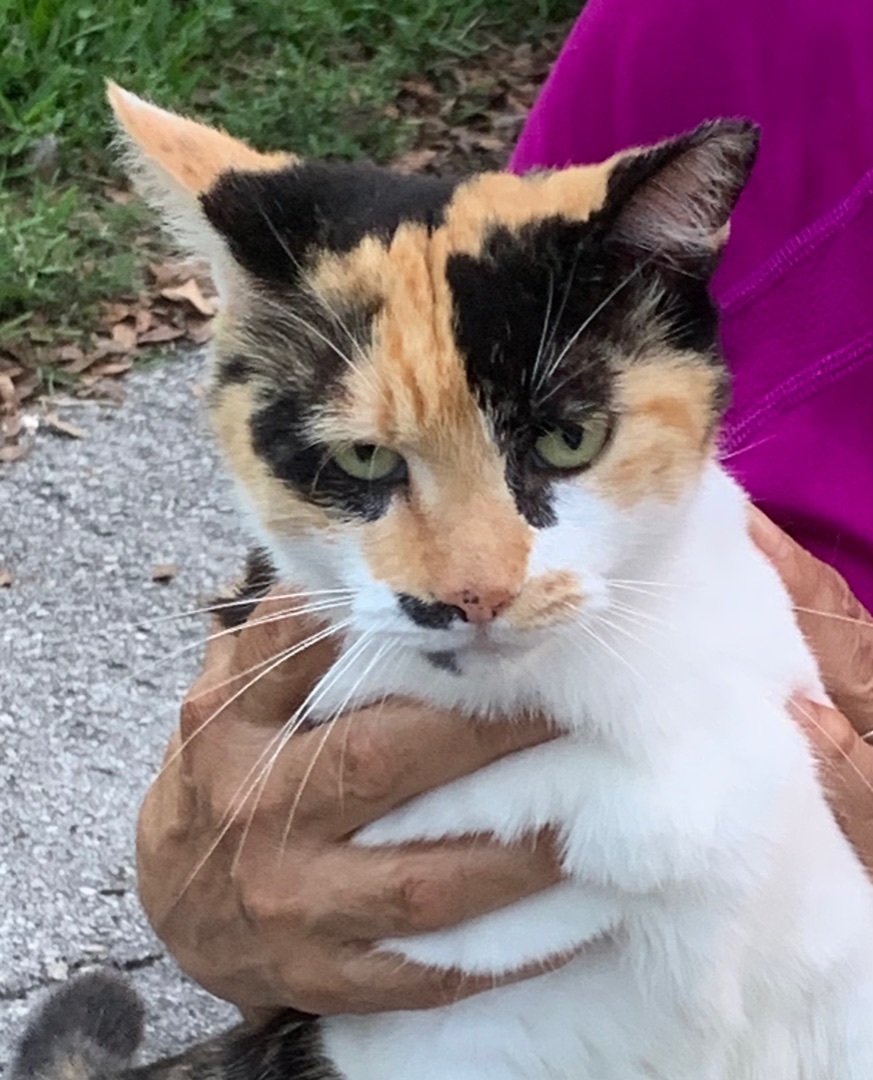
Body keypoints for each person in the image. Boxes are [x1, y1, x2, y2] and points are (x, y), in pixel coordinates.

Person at [136, 0, 873, 1022]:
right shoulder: (726, 25)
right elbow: (464, 287)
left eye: (566, 444)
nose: (474, 582)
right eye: (364, 459)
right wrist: (201, 862)